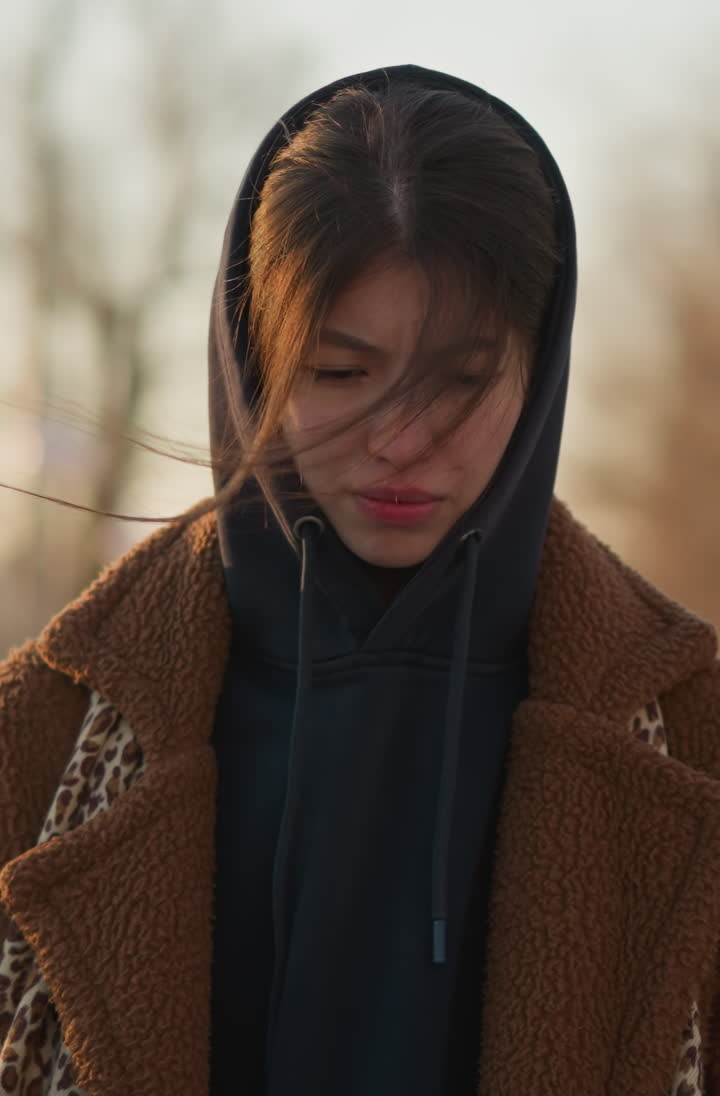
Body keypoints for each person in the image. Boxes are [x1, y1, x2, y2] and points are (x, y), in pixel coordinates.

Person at [0, 64, 717, 1096]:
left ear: (540, 372)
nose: (401, 439)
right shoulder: (49, 738)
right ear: (258, 364)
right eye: (340, 373)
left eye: (462, 381)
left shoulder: (687, 736)